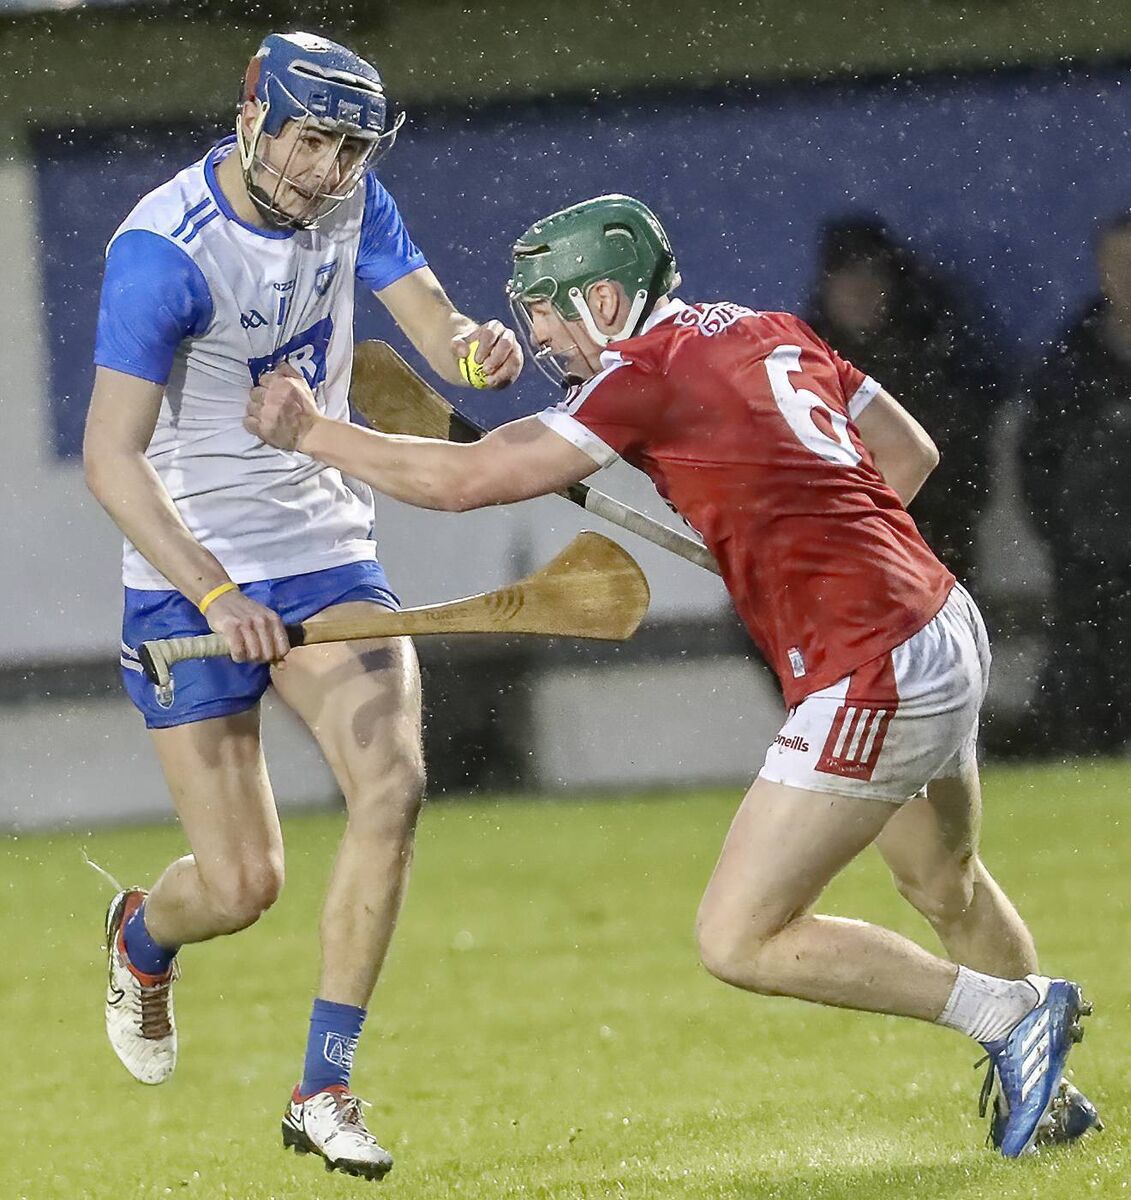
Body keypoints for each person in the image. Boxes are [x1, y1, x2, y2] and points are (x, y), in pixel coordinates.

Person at [244, 193, 1100, 1157]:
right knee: (946, 883)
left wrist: (312, 433)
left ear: (605, 300)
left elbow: (463, 481)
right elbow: (908, 452)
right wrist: (794, 537)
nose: (543, 338)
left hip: (870, 666)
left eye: (547, 312)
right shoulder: (764, 327)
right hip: (941, 620)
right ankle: (1052, 1091)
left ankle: (1011, 1019)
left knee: (740, 936)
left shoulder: (638, 375)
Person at [83, 31, 521, 1181]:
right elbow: (110, 463)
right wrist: (216, 592)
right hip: (190, 570)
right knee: (241, 887)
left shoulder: (352, 201)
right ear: (254, 117)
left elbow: (434, 329)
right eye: (312, 139)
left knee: (394, 785)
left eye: (348, 148)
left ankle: (323, 1088)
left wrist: (479, 355)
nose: (329, 169)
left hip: (326, 547)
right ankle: (142, 936)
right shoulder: (161, 256)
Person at [806, 216, 1004, 590]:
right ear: (826, 286)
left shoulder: (937, 357)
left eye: (872, 275)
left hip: (928, 549)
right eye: (847, 277)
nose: (861, 291)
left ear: (892, 284)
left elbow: (951, 466)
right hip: (825, 561)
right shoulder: (800, 360)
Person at [1019, 210, 1131, 756]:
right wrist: (1064, 533)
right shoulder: (1071, 359)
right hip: (1089, 557)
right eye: (1116, 263)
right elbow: (1035, 459)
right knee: (1090, 677)